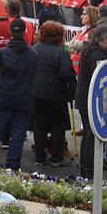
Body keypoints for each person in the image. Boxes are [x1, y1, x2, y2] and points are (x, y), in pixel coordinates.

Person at [0, 19, 38, 170]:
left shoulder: (2, 53)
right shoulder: (32, 55)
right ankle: (12, 167)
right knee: (17, 136)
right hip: (23, 100)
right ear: (25, 32)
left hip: (2, 98)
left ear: (11, 32)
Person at [28, 20, 74, 165]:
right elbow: (67, 73)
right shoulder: (60, 53)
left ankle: (40, 157)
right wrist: (71, 92)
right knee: (57, 126)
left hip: (36, 93)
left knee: (40, 124)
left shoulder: (34, 49)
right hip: (56, 94)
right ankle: (56, 157)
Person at [75, 24, 107, 177]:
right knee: (91, 136)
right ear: (104, 39)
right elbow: (99, 81)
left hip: (84, 99)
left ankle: (85, 167)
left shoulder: (89, 51)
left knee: (88, 135)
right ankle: (89, 169)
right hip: (90, 101)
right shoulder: (98, 56)